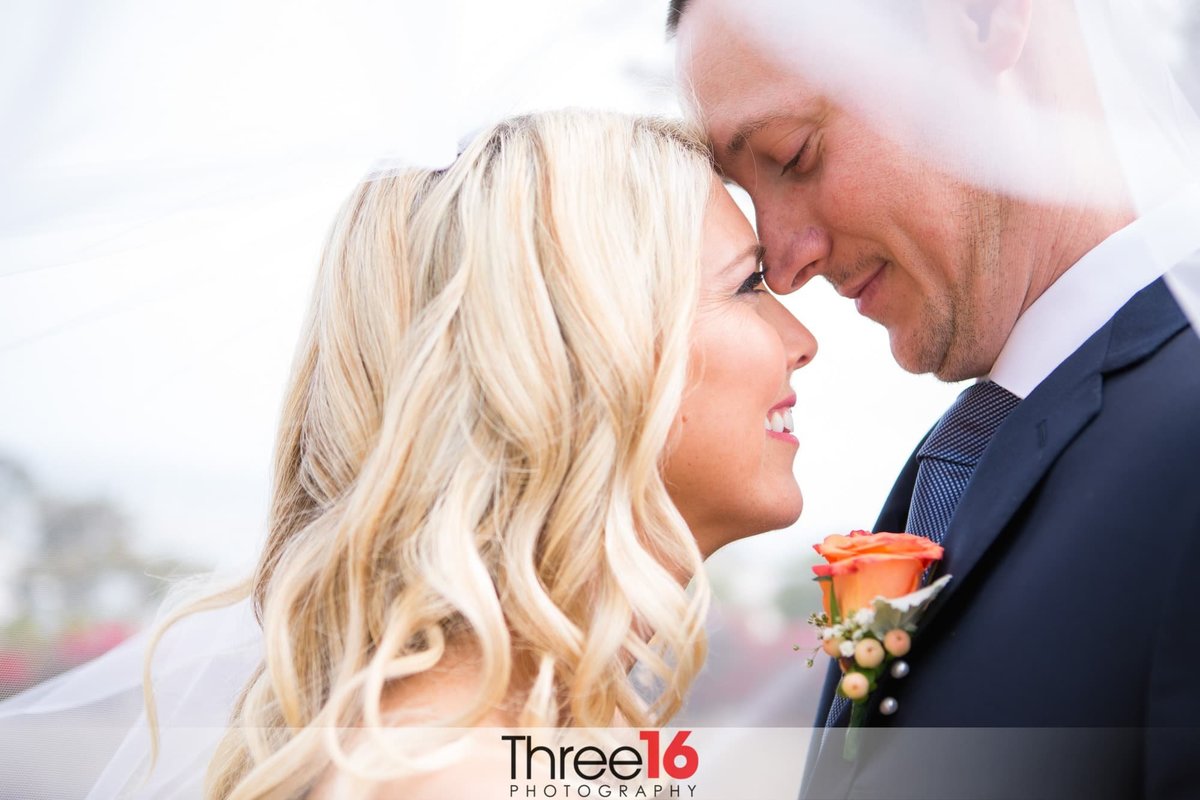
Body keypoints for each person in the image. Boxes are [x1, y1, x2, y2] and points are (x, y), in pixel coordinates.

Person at [11, 109, 812, 799]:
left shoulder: (516, 742)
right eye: (747, 287)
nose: (802, 342)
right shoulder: (451, 771)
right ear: (575, 355)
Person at [670, 0, 1200, 798]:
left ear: (984, 20)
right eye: (746, 195)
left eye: (793, 154)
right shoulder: (969, 457)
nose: (781, 264)